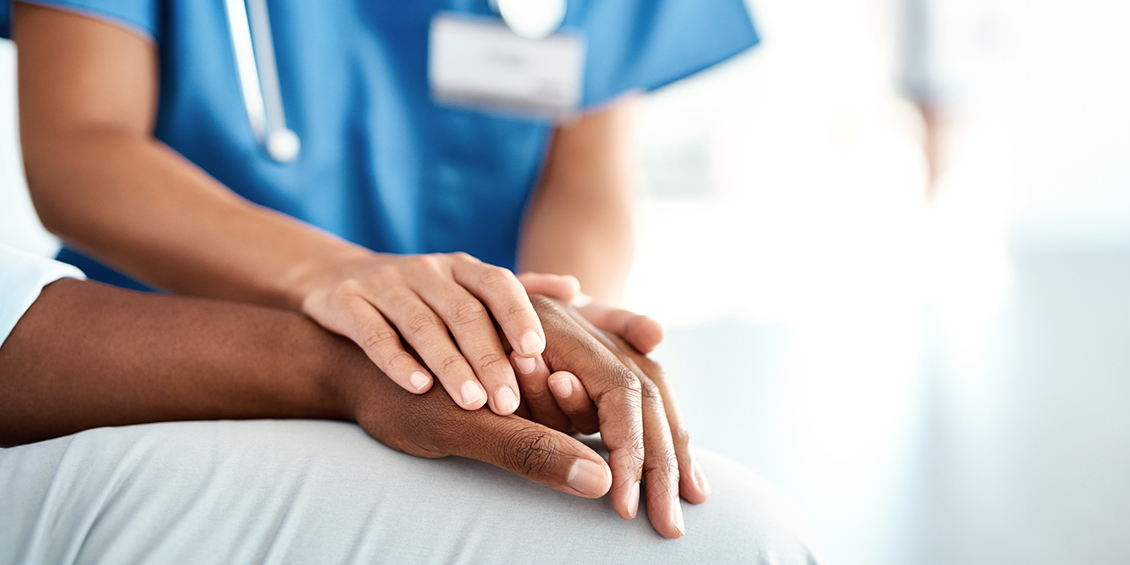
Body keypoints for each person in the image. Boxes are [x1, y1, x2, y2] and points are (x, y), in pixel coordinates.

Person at [2, 0, 759, 532]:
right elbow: (81, 150)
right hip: (167, 381)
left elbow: (584, 179)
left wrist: (532, 338)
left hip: (462, 397)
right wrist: (334, 274)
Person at [0, 243, 821, 563]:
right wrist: (350, 350)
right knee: (730, 544)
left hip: (433, 351)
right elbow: (84, 146)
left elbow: (586, 154)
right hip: (159, 357)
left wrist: (535, 336)